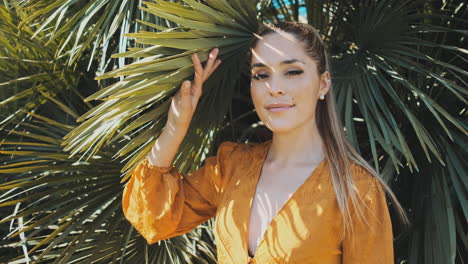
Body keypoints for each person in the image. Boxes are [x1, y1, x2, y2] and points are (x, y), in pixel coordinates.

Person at [122, 21, 409, 264]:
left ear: (323, 84)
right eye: (261, 75)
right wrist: (176, 125)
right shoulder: (231, 166)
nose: (275, 88)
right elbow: (153, 218)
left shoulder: (357, 190)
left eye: (292, 71)